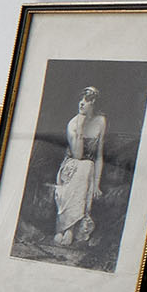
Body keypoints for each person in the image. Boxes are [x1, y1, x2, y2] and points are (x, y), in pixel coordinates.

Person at [52, 85, 106, 251]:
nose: (82, 103)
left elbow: (99, 156)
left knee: (88, 166)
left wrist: (97, 184)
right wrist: (81, 128)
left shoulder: (101, 121)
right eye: (81, 99)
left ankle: (68, 228)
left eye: (87, 100)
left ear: (94, 103)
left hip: (87, 169)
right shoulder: (73, 123)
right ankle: (67, 228)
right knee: (84, 166)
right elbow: (77, 154)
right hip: (71, 166)